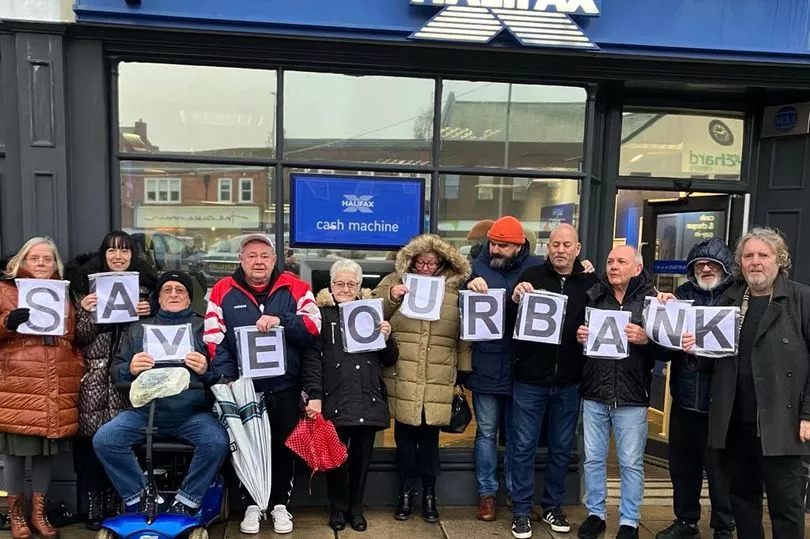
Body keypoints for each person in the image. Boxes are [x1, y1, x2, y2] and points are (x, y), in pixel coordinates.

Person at [204, 233, 321, 535]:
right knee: (245, 448)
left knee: (284, 446)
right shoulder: (222, 291)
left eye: (265, 256)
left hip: (285, 386)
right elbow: (214, 340)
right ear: (241, 259)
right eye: (252, 255)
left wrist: (281, 319)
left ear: (274, 260)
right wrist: (231, 380)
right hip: (243, 388)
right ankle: (252, 505)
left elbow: (312, 327)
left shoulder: (297, 287)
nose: (258, 261)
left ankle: (280, 504)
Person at [93, 270, 230, 516]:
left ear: (189, 299)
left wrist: (207, 369)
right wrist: (130, 368)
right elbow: (116, 373)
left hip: (191, 414)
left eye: (180, 291)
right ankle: (142, 496)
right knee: (106, 439)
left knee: (216, 441)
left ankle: (187, 500)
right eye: (168, 290)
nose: (174, 294)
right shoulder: (137, 329)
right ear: (159, 297)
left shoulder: (204, 328)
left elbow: (225, 374)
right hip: (145, 412)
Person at [704, 227, 810, 539]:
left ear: (780, 260)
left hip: (783, 422)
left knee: (786, 506)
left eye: (763, 255)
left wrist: (808, 413)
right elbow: (711, 358)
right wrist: (692, 344)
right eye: (748, 256)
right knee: (742, 500)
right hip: (736, 422)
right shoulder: (727, 300)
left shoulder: (802, 300)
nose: (755, 262)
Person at [372, 233, 472, 524]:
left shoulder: (454, 290)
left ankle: (429, 494)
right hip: (404, 372)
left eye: (433, 262)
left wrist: (464, 370)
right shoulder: (393, 281)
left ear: (442, 262)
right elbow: (373, 312)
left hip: (438, 375)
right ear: (412, 261)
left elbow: (464, 334)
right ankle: (405, 493)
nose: (427, 267)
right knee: (404, 440)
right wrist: (393, 297)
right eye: (422, 262)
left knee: (430, 441)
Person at [508, 223, 598, 538]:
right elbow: (507, 322)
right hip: (530, 378)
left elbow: (604, 318)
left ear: (578, 248)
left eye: (566, 244)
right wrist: (515, 300)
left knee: (561, 448)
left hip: (570, 381)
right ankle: (520, 510)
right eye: (555, 244)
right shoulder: (530, 277)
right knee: (522, 446)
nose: (560, 249)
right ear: (548, 248)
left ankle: (551, 506)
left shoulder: (591, 282)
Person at [66, 231, 158, 530]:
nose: (119, 256)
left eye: (125, 251)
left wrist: (149, 311)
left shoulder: (146, 289)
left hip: (127, 378)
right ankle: (94, 503)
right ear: (103, 254)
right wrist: (86, 312)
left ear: (133, 256)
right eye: (112, 251)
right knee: (90, 441)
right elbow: (78, 338)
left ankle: (118, 499)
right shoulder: (85, 288)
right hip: (92, 375)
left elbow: (153, 337)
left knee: (120, 441)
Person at [302, 259, 399, 532]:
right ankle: (338, 508)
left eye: (351, 284)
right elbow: (312, 360)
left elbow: (389, 359)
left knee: (361, 459)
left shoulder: (372, 312)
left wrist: (387, 336)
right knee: (335, 458)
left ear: (359, 287)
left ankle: (356, 508)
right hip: (335, 395)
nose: (345, 288)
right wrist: (314, 394)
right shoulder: (320, 315)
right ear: (331, 285)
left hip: (366, 395)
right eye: (340, 283)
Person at [0, 237, 85, 539]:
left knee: (45, 454)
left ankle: (38, 513)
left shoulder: (63, 296)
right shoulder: (5, 292)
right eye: (34, 258)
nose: (40, 264)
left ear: (55, 265)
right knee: (14, 455)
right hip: (20, 384)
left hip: (54, 383)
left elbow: (73, 336)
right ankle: (16, 516)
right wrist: (6, 323)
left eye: (47, 259)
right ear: (22, 262)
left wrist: (74, 366)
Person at [575, 245, 661, 539]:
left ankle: (630, 520)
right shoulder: (594, 294)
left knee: (631, 462)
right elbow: (581, 338)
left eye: (621, 262)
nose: (613, 266)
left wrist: (646, 340)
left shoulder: (652, 301)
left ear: (637, 268)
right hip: (595, 391)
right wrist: (580, 336)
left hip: (632, 395)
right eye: (610, 261)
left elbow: (667, 349)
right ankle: (596, 514)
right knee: (593, 459)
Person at [655, 237, 735, 539]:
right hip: (685, 398)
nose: (705, 267)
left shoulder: (737, 297)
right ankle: (686, 521)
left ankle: (723, 526)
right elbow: (662, 348)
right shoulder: (681, 295)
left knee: (721, 470)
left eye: (712, 263)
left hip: (722, 403)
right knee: (683, 466)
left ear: (724, 268)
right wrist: (663, 316)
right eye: (699, 263)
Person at [465, 216, 542, 523]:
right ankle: (486, 495)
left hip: (521, 365)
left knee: (516, 437)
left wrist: (586, 267)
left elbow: (566, 279)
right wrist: (467, 286)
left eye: (503, 245)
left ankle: (515, 493)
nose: (495, 249)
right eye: (493, 243)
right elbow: (452, 293)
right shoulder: (475, 266)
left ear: (519, 245)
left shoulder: (536, 267)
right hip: (485, 362)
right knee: (485, 433)